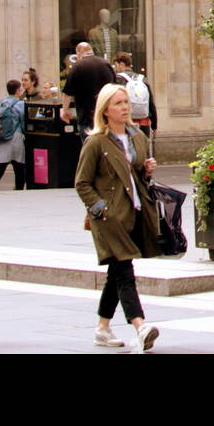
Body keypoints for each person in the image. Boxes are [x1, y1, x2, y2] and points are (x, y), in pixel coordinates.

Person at [74, 83, 161, 351]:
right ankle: (140, 325)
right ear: (106, 111)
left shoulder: (138, 137)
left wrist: (146, 171)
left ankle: (102, 328)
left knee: (117, 271)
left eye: (126, 102)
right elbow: (82, 182)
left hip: (134, 213)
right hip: (109, 217)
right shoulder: (96, 142)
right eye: (118, 104)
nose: (125, 107)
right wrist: (100, 208)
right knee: (125, 271)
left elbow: (136, 178)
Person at [61, 42, 116, 133]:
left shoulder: (78, 66)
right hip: (106, 116)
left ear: (78, 53)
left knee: (90, 145)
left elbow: (68, 93)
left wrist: (65, 110)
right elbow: (115, 88)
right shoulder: (106, 64)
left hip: (86, 118)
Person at [0, 80, 27, 192]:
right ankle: (18, 191)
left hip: (1, 138)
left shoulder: (0, 103)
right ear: (18, 90)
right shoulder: (19, 104)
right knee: (19, 168)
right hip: (15, 138)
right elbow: (23, 122)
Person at [113, 51, 157, 136]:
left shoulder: (118, 79)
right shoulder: (142, 79)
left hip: (126, 122)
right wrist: (154, 125)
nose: (116, 69)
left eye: (116, 65)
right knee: (142, 147)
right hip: (143, 122)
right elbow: (151, 104)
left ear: (121, 64)